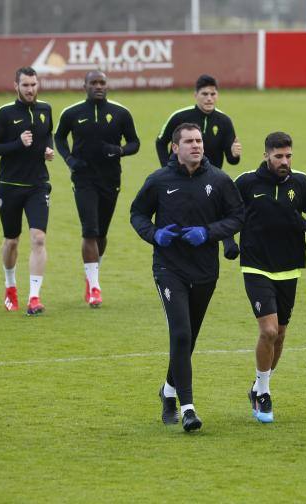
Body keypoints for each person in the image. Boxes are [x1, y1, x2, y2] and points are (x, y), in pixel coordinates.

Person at [130, 123, 244, 432]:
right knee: (180, 333)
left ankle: (167, 391)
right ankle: (188, 408)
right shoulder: (159, 180)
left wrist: (208, 233)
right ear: (174, 147)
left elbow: (237, 216)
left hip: (205, 271)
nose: (196, 146)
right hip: (169, 269)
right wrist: (155, 235)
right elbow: (137, 213)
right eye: (189, 141)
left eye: (199, 141)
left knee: (189, 338)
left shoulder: (219, 180)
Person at [230, 132, 306, 423]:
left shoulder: (302, 183)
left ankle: (257, 386)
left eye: (288, 156)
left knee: (281, 334)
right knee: (269, 331)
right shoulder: (246, 183)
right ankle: (264, 392)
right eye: (278, 157)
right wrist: (228, 243)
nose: (284, 162)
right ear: (266, 156)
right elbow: (225, 214)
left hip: (290, 267)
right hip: (256, 265)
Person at [55, 70, 140, 308]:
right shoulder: (72, 113)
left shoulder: (120, 113)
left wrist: (120, 150)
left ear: (107, 85)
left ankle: (92, 274)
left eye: (102, 82)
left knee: (102, 233)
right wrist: (70, 160)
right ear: (85, 86)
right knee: (89, 231)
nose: (98, 86)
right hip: (83, 179)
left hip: (110, 180)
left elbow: (135, 142)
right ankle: (94, 288)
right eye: (93, 83)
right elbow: (59, 138)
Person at [0, 66, 54, 316]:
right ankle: (10, 286)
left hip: (38, 185)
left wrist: (48, 150)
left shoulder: (45, 109)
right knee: (12, 241)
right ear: (16, 86)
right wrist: (18, 143)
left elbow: (48, 136)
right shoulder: (4, 113)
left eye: (34, 84)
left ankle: (34, 297)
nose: (30, 89)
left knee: (38, 238)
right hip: (10, 187)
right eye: (25, 85)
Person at [155, 74, 241, 170]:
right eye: (204, 94)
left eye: (213, 94)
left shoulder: (225, 121)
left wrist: (235, 155)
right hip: (180, 176)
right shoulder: (179, 116)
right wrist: (167, 168)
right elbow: (161, 142)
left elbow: (232, 160)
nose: (209, 98)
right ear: (195, 95)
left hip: (210, 179)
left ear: (217, 95)